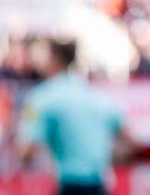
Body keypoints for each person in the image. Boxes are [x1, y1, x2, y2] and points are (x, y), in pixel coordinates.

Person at [17, 39, 136, 195]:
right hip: (100, 186)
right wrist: (101, 158)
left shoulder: (41, 98)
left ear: (54, 58)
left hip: (69, 186)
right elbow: (132, 144)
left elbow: (27, 151)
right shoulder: (97, 95)